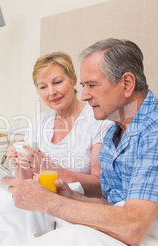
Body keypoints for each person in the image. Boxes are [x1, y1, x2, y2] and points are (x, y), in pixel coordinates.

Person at [2, 38, 158, 246]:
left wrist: (49, 202)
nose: (85, 95)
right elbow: (113, 204)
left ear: (127, 84)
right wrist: (72, 198)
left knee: (67, 243)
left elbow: (132, 225)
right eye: (84, 86)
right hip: (136, 224)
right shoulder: (115, 132)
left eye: (92, 85)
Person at [7, 52, 112, 197]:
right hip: (37, 200)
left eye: (57, 82)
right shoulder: (39, 122)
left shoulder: (98, 121)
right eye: (43, 87)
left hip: (76, 206)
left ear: (74, 81)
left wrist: (53, 169)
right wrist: (19, 162)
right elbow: (25, 180)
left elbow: (100, 186)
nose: (52, 92)